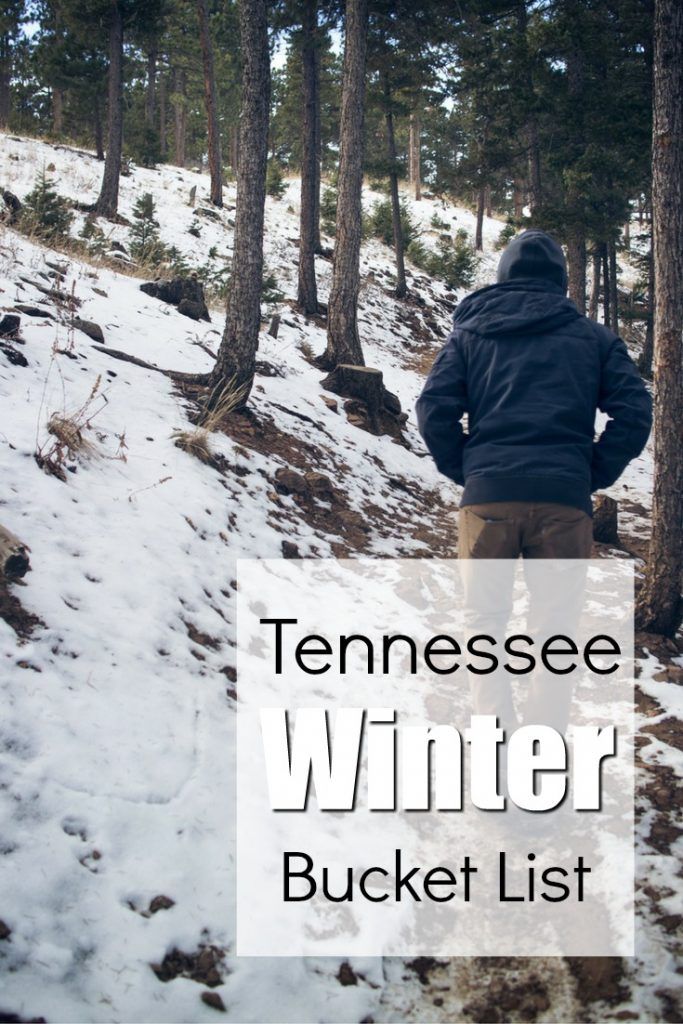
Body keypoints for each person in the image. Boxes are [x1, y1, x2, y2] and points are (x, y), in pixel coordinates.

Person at [416, 229, 652, 560]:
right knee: (556, 615)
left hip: (489, 492)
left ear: (504, 275)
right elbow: (635, 412)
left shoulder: (469, 335)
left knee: (484, 614)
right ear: (561, 279)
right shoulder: (597, 339)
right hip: (564, 496)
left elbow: (433, 409)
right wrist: (589, 473)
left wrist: (472, 470)